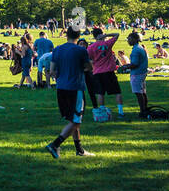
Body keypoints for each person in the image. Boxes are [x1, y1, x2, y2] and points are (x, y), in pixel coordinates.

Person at [45, 28, 95, 159]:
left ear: (66, 35)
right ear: (79, 36)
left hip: (61, 87)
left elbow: (52, 71)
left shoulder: (57, 49)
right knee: (76, 121)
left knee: (72, 119)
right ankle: (55, 144)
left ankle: (79, 150)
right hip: (75, 87)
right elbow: (90, 67)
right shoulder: (81, 50)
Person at [85, 27, 121, 109]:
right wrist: (106, 35)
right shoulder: (108, 43)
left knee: (100, 93)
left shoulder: (90, 47)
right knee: (117, 92)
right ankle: (120, 111)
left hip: (97, 71)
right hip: (109, 71)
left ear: (94, 36)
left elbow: (88, 59)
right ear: (101, 34)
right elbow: (117, 34)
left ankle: (102, 110)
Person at [125, 31, 150, 118]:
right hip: (142, 73)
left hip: (137, 74)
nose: (128, 41)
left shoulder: (136, 50)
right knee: (143, 92)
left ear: (135, 39)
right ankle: (145, 109)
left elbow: (135, 64)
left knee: (139, 93)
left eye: (129, 39)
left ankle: (142, 111)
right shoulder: (139, 48)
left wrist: (125, 67)